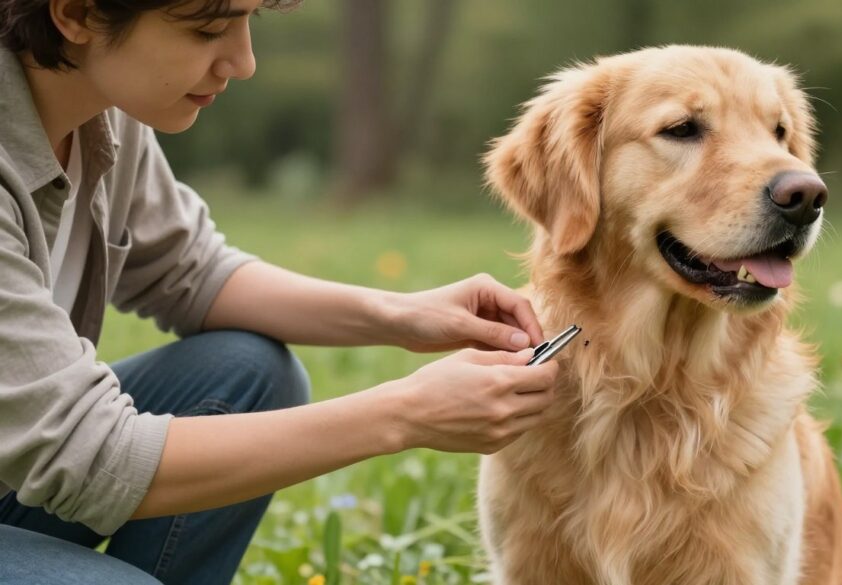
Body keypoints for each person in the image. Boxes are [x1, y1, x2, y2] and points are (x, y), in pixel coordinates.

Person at [0, 0, 560, 583]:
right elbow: (91, 458)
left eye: (250, 21)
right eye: (207, 29)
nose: (243, 62)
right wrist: (407, 412)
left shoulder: (100, 109)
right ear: (77, 14)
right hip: (55, 464)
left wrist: (402, 314)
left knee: (248, 371)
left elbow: (190, 270)